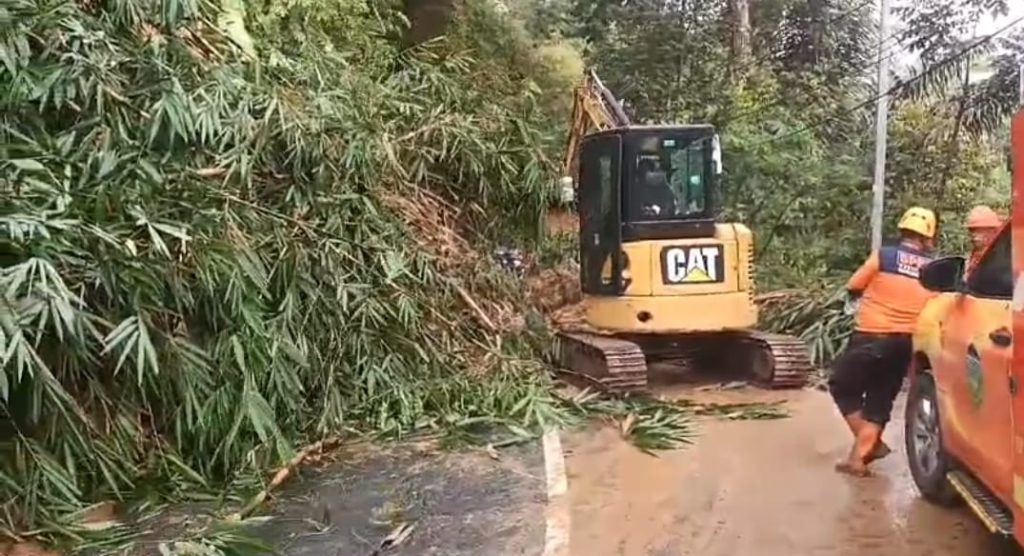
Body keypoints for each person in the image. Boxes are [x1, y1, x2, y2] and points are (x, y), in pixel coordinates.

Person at [828, 206, 938, 477]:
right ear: (928, 237)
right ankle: (858, 458)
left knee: (842, 387)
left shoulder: (884, 256)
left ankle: (869, 445)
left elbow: (854, 285)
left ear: (902, 230)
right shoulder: (933, 269)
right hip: (903, 344)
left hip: (869, 335)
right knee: (879, 400)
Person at [964, 205, 1002, 274]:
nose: (974, 235)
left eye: (979, 231)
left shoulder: (1001, 257)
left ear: (992, 231)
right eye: (972, 230)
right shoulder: (972, 258)